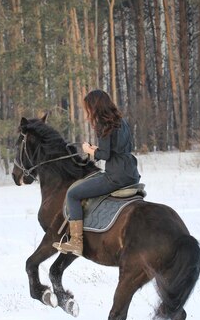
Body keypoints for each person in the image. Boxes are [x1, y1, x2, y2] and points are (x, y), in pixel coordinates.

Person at [53, 89, 140, 256]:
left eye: (88, 108)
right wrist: (98, 149)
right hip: (132, 173)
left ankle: (76, 242)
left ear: (94, 107)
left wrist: (89, 150)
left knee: (73, 194)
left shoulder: (102, 123)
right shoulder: (123, 121)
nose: (88, 112)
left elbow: (105, 155)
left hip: (115, 177)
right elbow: (123, 148)